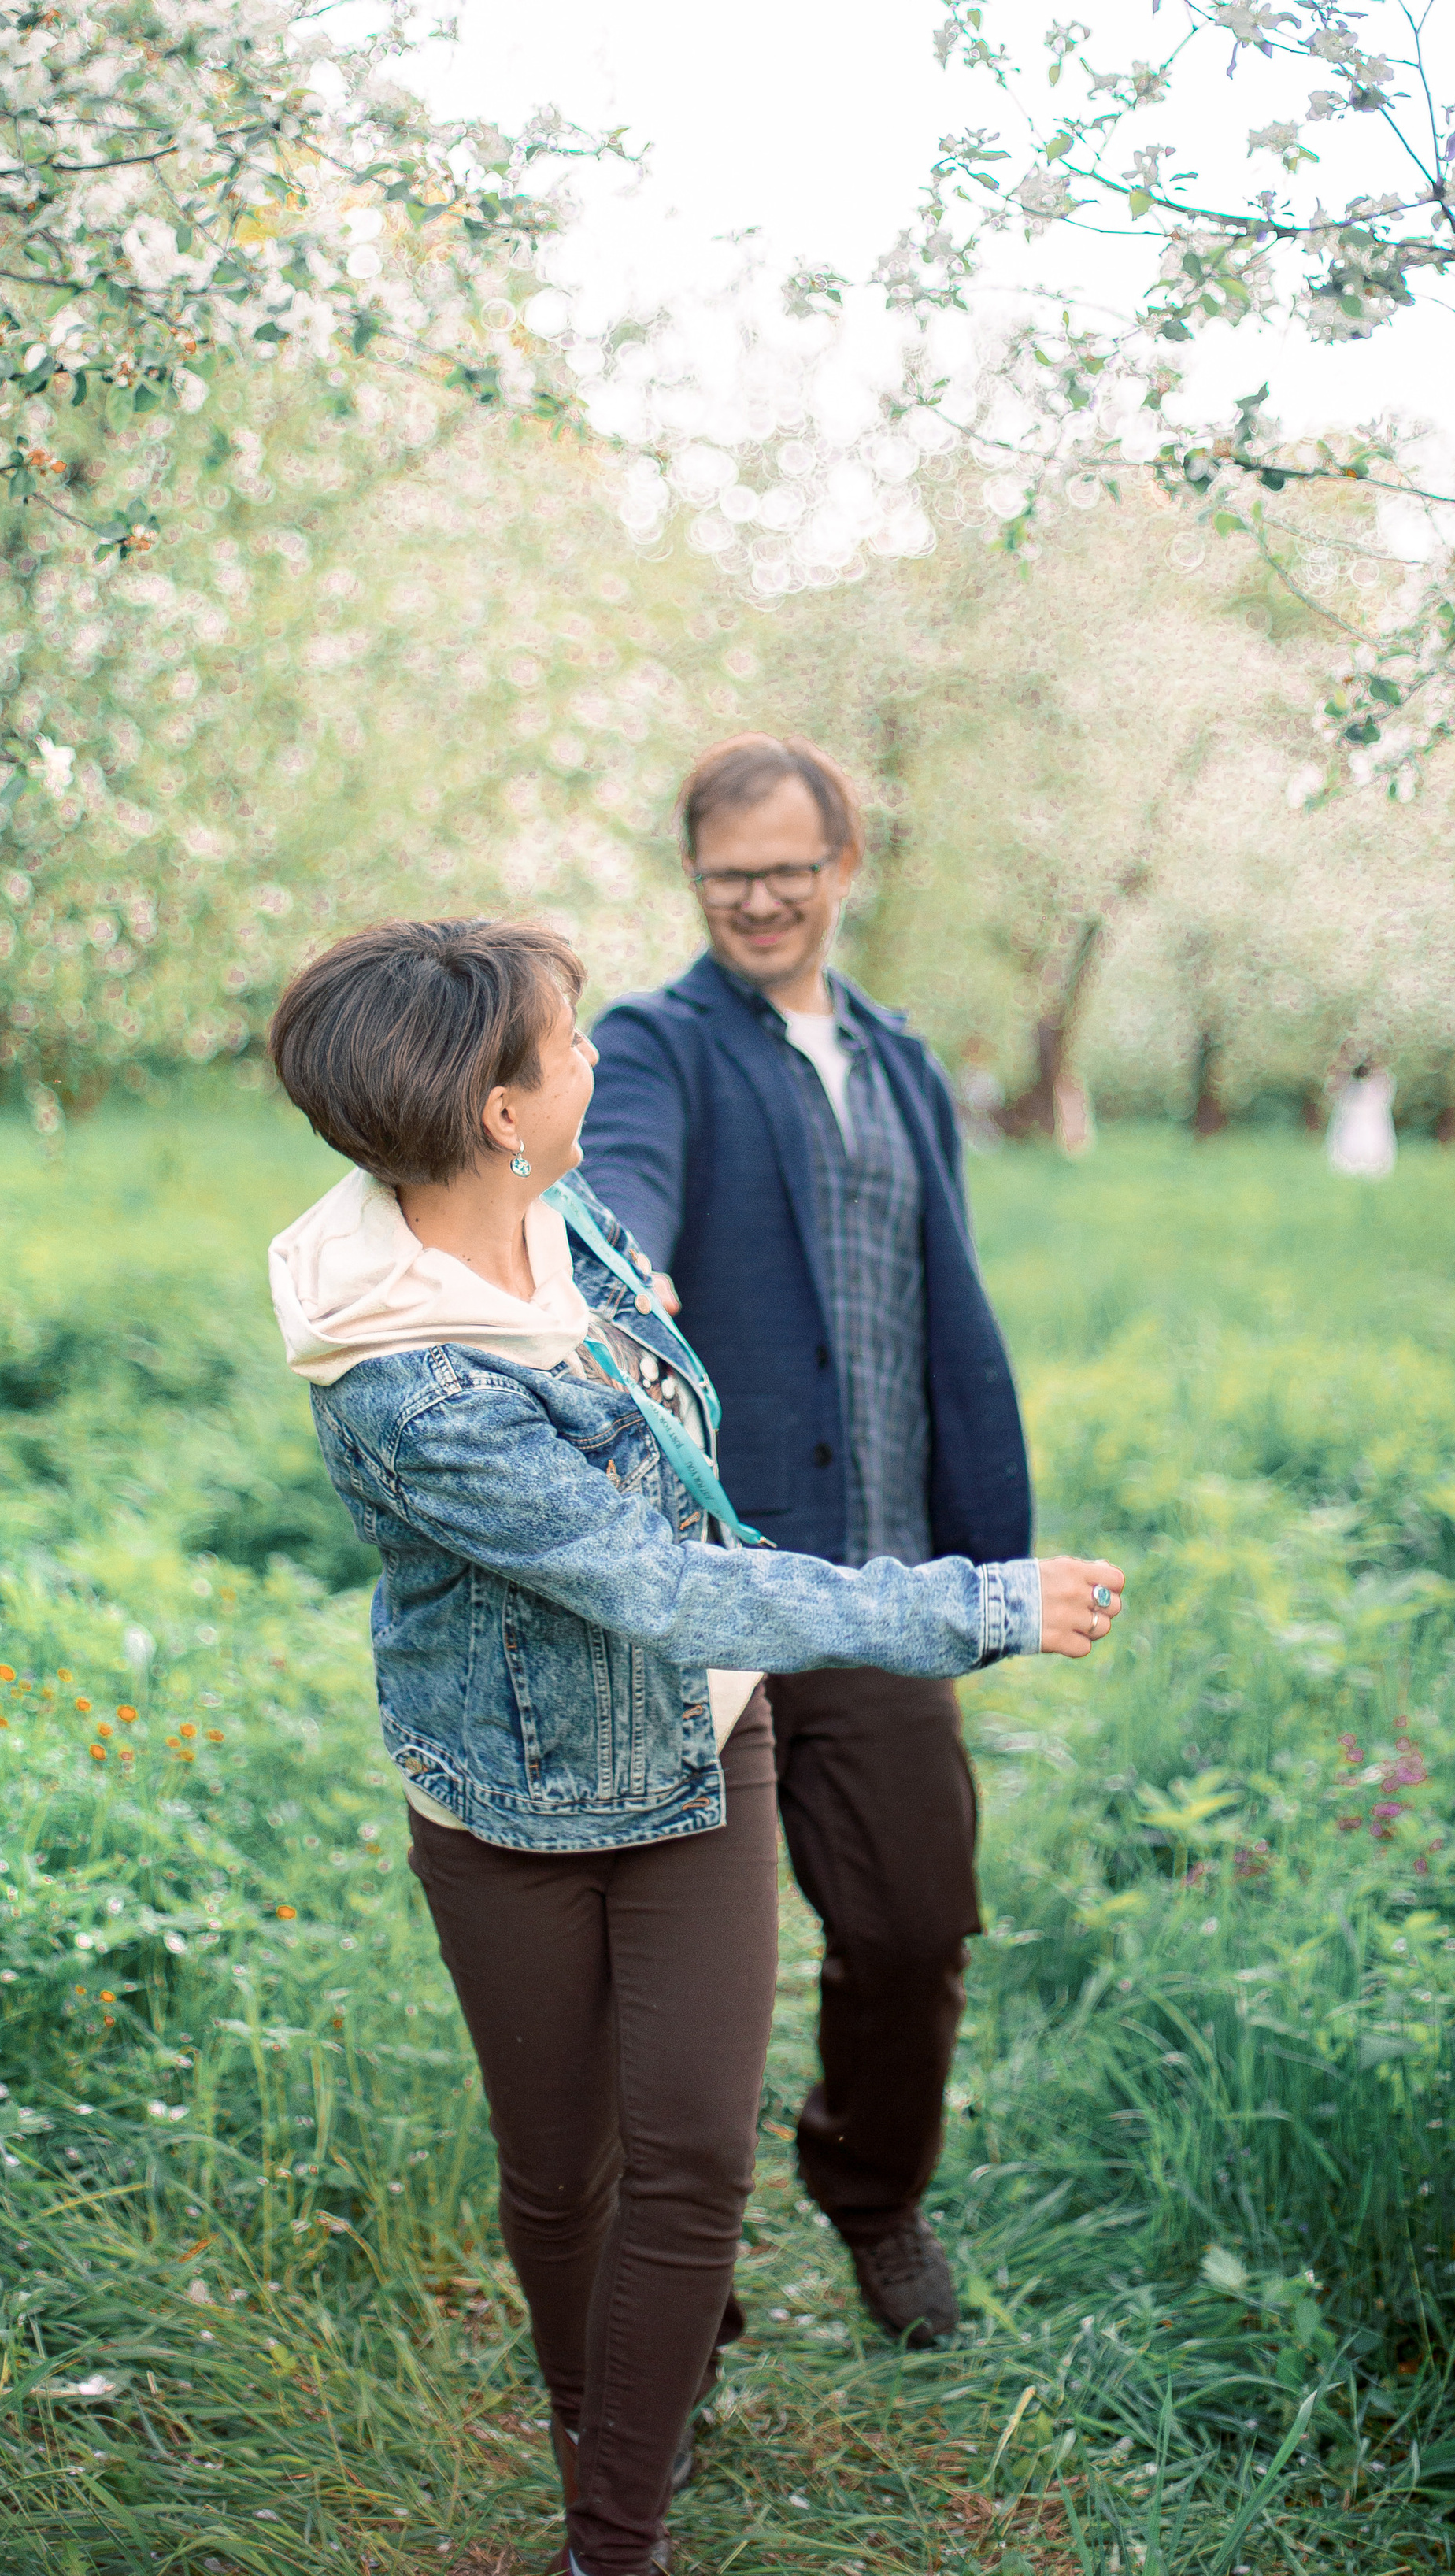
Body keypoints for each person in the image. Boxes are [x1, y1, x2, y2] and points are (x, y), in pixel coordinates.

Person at [265, 918, 1125, 2576]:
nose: (594, 1061)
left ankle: (614, 2534)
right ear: (497, 1109)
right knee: (561, 2175)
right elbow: (660, 1582)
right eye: (566, 1043)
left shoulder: (560, 1212)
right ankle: (610, 2407)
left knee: (690, 2163)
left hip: (696, 1749)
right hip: (512, 1803)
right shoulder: (411, 1391)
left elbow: (678, 1520)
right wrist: (978, 1604)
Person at [582, 732, 1031, 2349]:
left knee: (911, 1922)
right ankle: (670, 2302)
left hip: (875, 1579)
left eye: (785, 870)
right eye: (724, 876)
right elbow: (615, 1177)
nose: (757, 901)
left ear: (845, 866)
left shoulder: (899, 1057)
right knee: (679, 1977)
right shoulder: (652, 1043)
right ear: (692, 880)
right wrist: (615, 1271)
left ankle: (873, 2196)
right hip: (699, 1581)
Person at [1327, 1058, 1398, 1179]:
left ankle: (1367, 1165)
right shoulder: (1357, 1088)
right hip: (1359, 1120)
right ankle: (1356, 1165)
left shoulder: (1357, 1088)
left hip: (1364, 1120)